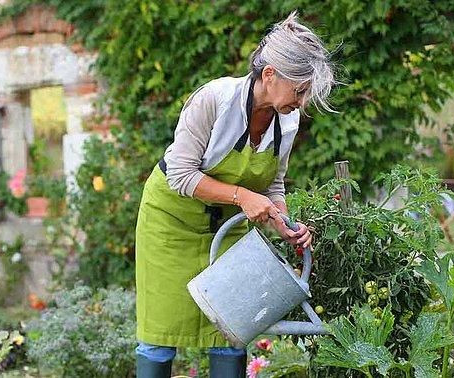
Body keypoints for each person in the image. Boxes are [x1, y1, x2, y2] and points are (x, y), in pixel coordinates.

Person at [135, 11, 337, 378]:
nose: (303, 102)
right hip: (170, 224)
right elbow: (180, 174)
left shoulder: (286, 121)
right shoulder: (214, 100)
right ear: (270, 74)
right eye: (300, 89)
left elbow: (272, 185)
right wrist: (243, 196)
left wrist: (285, 225)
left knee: (232, 330)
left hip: (226, 229)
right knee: (159, 335)